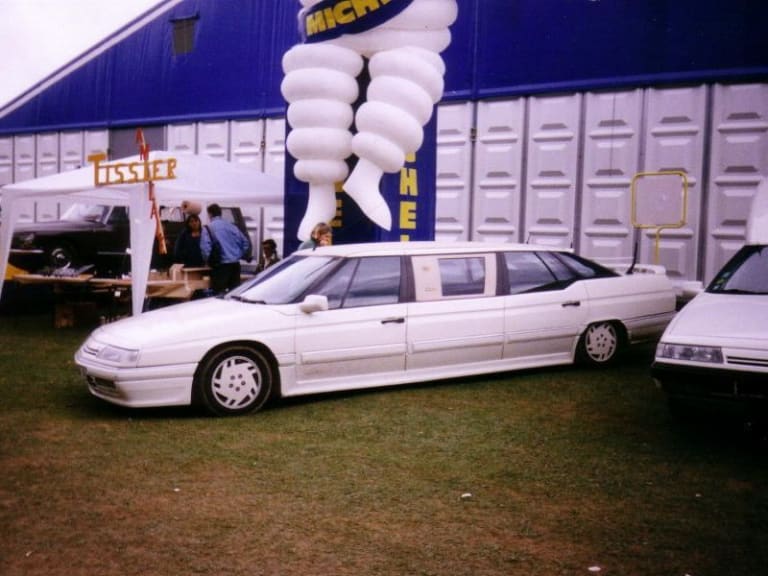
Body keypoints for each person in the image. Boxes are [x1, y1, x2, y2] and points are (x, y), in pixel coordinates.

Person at [200, 203, 252, 294]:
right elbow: (245, 243)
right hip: (235, 265)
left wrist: (207, 261)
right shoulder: (232, 226)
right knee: (234, 293)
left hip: (220, 266)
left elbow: (205, 248)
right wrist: (239, 255)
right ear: (221, 213)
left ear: (210, 214)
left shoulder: (208, 228)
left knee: (219, 294)